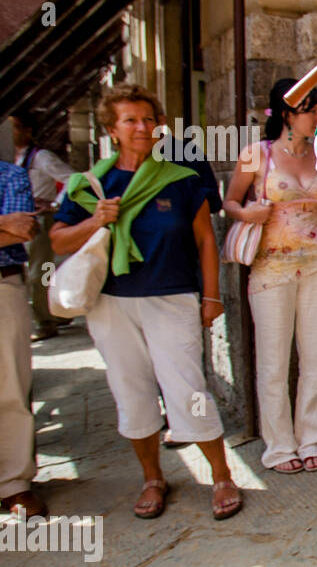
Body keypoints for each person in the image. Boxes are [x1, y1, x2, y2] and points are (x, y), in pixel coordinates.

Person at [50, 83, 241, 521]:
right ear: (112, 129)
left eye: (149, 118)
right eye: (130, 120)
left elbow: (205, 241)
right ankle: (153, 477)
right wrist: (96, 220)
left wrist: (211, 295)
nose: (142, 127)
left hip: (172, 297)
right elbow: (59, 239)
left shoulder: (180, 176)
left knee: (188, 389)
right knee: (130, 390)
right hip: (111, 304)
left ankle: (222, 476)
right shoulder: (92, 185)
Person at [225, 80, 317, 473]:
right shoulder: (256, 155)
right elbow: (229, 201)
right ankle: (278, 446)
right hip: (270, 269)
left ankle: (314, 438)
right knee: (273, 361)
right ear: (289, 112)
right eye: (311, 109)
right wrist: (245, 213)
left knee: (316, 357)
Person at [0, 159, 45, 517]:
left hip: (3, 282)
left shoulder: (10, 175)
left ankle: (14, 484)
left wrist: (9, 229)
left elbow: (23, 230)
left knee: (11, 386)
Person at [9, 110, 75, 341]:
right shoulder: (9, 158)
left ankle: (46, 321)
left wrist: (55, 204)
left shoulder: (41, 157)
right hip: (12, 223)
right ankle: (51, 312)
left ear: (28, 131)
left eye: (15, 127)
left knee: (41, 272)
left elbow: (73, 179)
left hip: (37, 221)